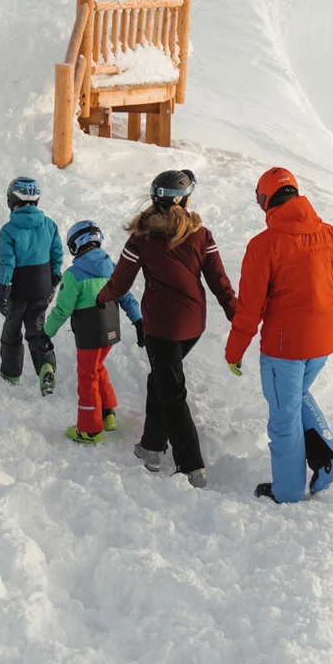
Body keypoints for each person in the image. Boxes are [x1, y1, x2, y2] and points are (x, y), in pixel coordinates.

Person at [225, 167, 333, 503]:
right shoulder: (331, 235)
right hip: (322, 343)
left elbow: (250, 307)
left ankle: (287, 492)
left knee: (283, 420)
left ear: (265, 200)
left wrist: (235, 350)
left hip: (284, 348)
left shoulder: (264, 245)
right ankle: (326, 459)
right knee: (295, 397)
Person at [101, 168, 235, 489]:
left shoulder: (142, 237)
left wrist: (99, 297)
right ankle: (152, 446)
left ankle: (192, 465)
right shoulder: (201, 234)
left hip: (161, 328)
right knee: (160, 380)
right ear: (183, 199)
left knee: (171, 392)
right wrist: (238, 316)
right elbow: (219, 283)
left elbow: (119, 283)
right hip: (193, 325)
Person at [45, 220, 140, 442]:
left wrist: (46, 332)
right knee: (97, 368)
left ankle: (90, 429)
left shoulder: (74, 274)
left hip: (89, 333)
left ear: (75, 246)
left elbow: (62, 309)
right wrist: (138, 321)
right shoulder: (113, 268)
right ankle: (108, 413)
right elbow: (126, 297)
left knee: (87, 376)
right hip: (110, 331)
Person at [0, 176, 62, 395]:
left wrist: (2, 289)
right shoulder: (50, 224)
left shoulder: (8, 230)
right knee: (36, 329)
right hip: (41, 286)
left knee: (12, 329)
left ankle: (10, 374)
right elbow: (56, 255)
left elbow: (7, 264)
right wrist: (54, 279)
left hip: (18, 289)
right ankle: (46, 367)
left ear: (12, 199)